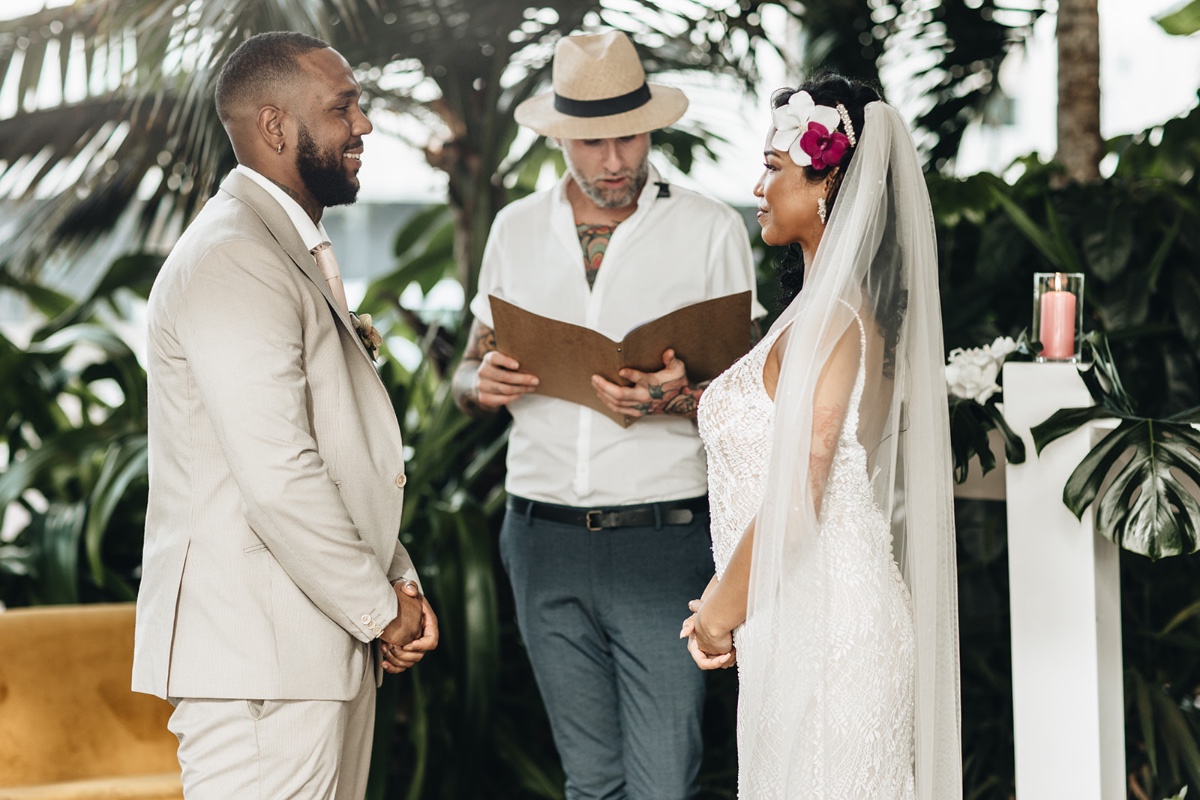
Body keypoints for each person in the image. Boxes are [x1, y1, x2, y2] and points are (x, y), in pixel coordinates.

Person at [451, 30, 765, 800]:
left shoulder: (711, 229)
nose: (613, 159)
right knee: (589, 783)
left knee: (664, 784)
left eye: (626, 135)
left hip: (665, 542)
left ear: (650, 125)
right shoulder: (513, 230)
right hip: (541, 540)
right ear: (562, 138)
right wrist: (477, 383)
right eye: (591, 142)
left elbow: (756, 398)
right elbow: (465, 368)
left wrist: (680, 397)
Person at [132, 31, 438, 799]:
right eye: (343, 109)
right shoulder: (235, 256)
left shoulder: (281, 247)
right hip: (262, 668)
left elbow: (334, 452)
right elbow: (278, 475)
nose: (363, 125)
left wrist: (395, 581)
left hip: (306, 654)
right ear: (275, 127)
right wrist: (382, 610)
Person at [682, 74, 962, 799]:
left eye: (773, 168)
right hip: (792, 613)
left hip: (833, 623)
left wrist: (717, 614)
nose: (757, 186)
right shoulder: (815, 312)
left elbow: (801, 495)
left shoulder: (833, 319)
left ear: (827, 180)